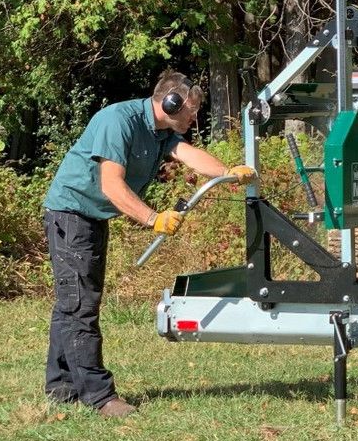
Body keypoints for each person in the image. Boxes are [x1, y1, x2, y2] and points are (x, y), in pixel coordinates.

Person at [42, 71, 256, 417]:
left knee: (73, 300)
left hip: (91, 217)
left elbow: (190, 156)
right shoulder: (118, 121)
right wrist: (152, 218)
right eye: (191, 110)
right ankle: (99, 396)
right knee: (80, 303)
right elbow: (112, 185)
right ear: (170, 103)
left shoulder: (161, 132)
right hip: (70, 214)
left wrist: (228, 171)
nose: (193, 117)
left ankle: (61, 386)